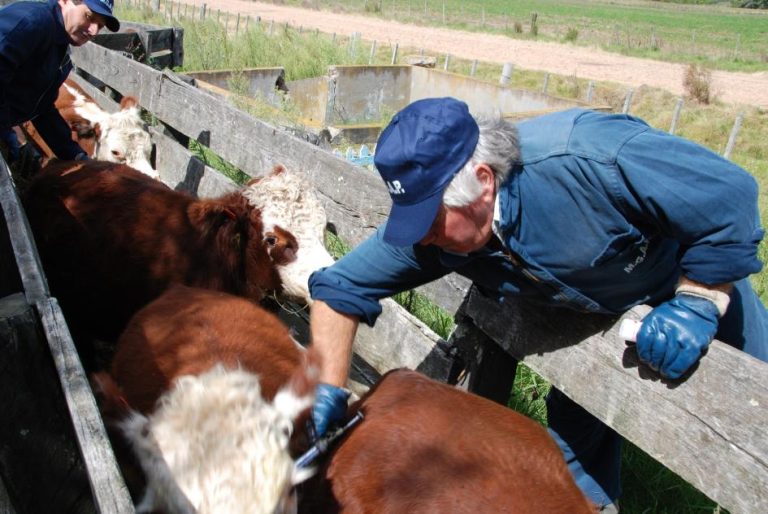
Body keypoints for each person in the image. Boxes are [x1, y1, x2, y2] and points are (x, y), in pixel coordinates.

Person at [306, 97, 768, 510]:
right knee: (572, 465)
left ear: (482, 182)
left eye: (429, 219)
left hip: (696, 289)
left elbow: (728, 195)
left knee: (756, 417)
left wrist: (697, 300)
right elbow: (339, 288)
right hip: (590, 328)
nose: (422, 236)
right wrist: (329, 387)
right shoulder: (438, 235)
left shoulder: (591, 157)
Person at [0, 0, 120, 164]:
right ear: (65, 2)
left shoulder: (59, 49)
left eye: (99, 26)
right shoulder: (32, 24)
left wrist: (75, 155)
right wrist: (6, 131)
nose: (93, 31)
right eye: (89, 17)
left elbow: (42, 110)